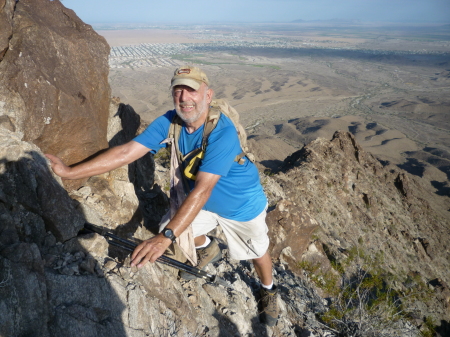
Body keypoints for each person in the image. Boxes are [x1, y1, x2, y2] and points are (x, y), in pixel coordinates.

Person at [45, 65, 279, 326]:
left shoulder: (221, 133)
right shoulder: (170, 123)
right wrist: (70, 172)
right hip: (203, 203)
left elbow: (203, 189)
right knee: (172, 226)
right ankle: (208, 249)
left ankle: (268, 290)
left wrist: (164, 240)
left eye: (191, 90)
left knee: (257, 251)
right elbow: (126, 153)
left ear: (208, 95)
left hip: (241, 205)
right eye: (178, 91)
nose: (184, 98)